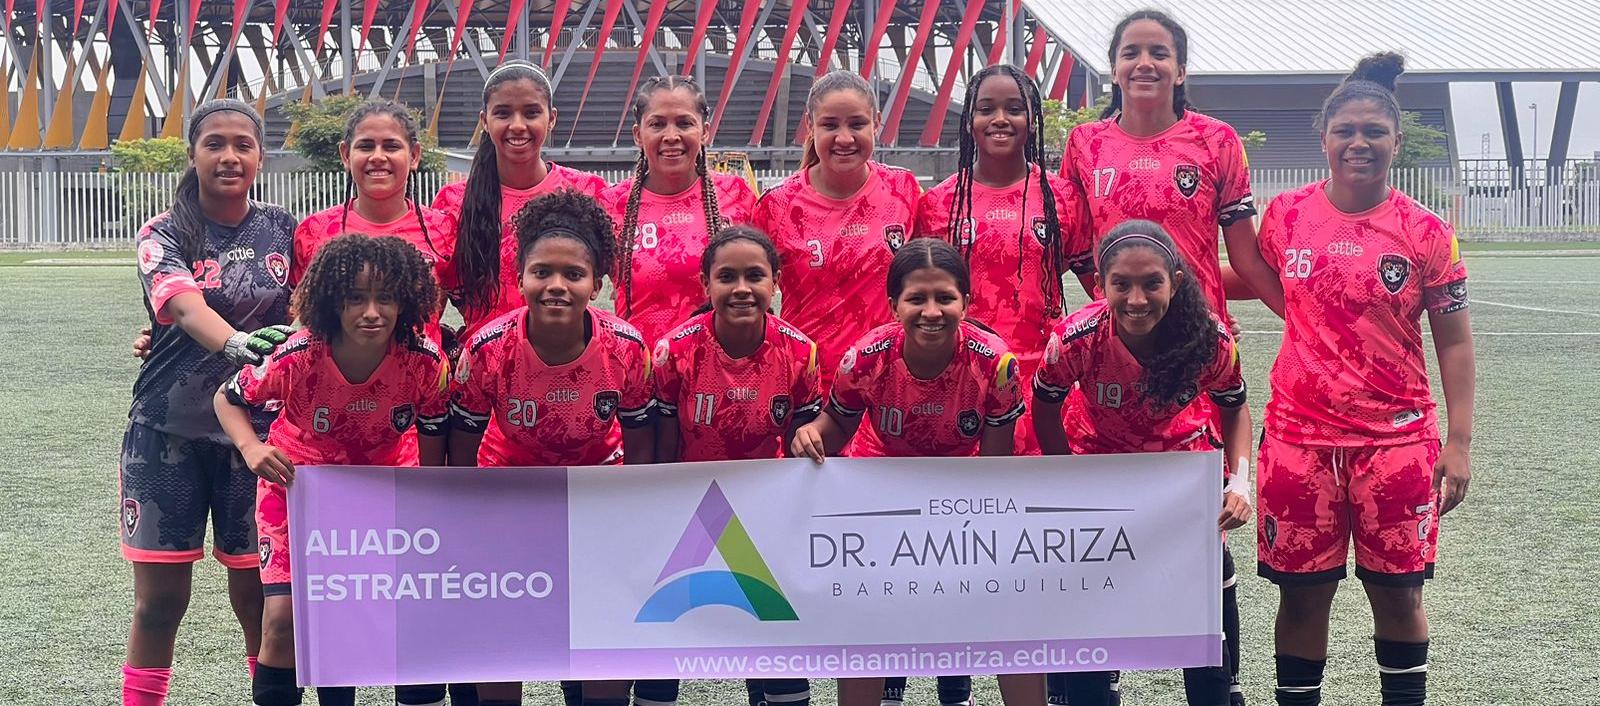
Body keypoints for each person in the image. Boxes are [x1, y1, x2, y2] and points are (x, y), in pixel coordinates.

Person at [1255, 53, 1474, 706]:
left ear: (1396, 142)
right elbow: (1265, 283)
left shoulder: (1427, 232)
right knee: (1301, 598)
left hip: (1397, 444)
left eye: (1374, 131)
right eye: (1345, 130)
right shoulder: (1286, 216)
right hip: (1299, 441)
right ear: (1324, 139)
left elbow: (1456, 343)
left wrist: (1458, 443)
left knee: (1400, 594)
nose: (1359, 143)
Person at [790, 238, 1041, 706]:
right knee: (867, 617)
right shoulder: (865, 358)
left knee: (1009, 606)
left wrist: (973, 527)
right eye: (916, 298)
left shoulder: (995, 364)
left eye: (945, 297)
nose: (931, 311)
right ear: (892, 305)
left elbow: (994, 468)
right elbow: (835, 428)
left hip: (962, 494)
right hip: (881, 495)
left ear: (966, 302)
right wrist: (810, 435)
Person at [215, 234, 450, 706]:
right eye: (356, 298)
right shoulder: (299, 356)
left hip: (385, 495)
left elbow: (436, 426)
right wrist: (251, 448)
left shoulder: (424, 362)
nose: (372, 312)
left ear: (406, 302)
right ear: (331, 301)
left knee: (371, 617)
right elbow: (228, 396)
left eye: (386, 298)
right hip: (299, 492)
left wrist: (428, 495)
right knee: (282, 620)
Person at [120, 98, 296, 706]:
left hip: (258, 442)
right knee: (160, 604)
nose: (229, 156)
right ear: (192, 155)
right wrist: (238, 342)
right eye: (214, 144)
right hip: (166, 436)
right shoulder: (162, 232)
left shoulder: (284, 228)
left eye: (242, 145)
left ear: (260, 157)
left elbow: (313, 312)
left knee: (262, 602)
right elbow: (186, 307)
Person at [448, 190, 655, 706]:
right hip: (508, 498)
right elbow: (460, 451)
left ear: (598, 284)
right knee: (503, 639)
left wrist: (637, 514)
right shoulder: (486, 350)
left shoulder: (628, 350)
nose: (557, 285)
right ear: (519, 279)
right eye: (542, 272)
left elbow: (643, 450)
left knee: (602, 638)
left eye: (574, 274)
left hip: (597, 502)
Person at [1032, 221, 1252, 706]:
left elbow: (1234, 407)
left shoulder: (1208, 339)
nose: (1136, 299)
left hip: (1180, 478)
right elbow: (1044, 402)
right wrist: (1064, 471)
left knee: (1201, 602)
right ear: (1099, 285)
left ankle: (1222, 691)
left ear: (1175, 280)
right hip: (1100, 473)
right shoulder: (1076, 339)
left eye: (1151, 283)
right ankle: (1083, 691)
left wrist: (1240, 481)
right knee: (1094, 602)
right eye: (1121, 284)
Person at [651, 225, 821, 706]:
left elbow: (802, 447)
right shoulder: (675, 352)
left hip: (763, 512)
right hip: (690, 509)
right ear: (705, 285)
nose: (742, 288)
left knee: (768, 634)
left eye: (755, 276)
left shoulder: (800, 353)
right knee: (664, 632)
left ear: (776, 282)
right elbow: (662, 449)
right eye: (727, 276)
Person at [918, 64, 1093, 460]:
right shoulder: (938, 203)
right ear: (969, 121)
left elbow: (1100, 291)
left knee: (1041, 505)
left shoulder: (1062, 198)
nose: (1000, 119)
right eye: (986, 109)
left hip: (1043, 385)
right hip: (961, 380)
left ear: (1032, 120)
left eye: (1014, 108)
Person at [1060, 9, 1282, 321]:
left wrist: (1308, 328)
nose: (1145, 62)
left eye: (1159, 53)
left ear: (1180, 72)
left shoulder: (1218, 140)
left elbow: (1247, 261)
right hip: (1117, 334)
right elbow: (1079, 253)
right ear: (1114, 70)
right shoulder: (1084, 143)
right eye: (1131, 53)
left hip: (1198, 334)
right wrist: (1111, 301)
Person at [754, 70, 920, 391]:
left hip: (889, 381)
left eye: (857, 124)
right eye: (830, 125)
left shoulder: (904, 190)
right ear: (810, 126)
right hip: (806, 384)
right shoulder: (776, 206)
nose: (844, 138)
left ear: (877, 122)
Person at [432, 60, 609, 338]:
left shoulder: (586, 191)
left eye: (531, 113)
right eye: (503, 113)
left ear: (551, 119)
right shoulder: (454, 202)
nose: (517, 125)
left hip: (569, 362)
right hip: (484, 369)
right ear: (485, 121)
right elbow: (433, 304)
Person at [601, 75, 759, 346]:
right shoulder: (611, 204)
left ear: (705, 131)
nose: (671, 136)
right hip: (643, 373)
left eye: (684, 123)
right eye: (657, 124)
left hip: (719, 370)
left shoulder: (736, 196)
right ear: (638, 134)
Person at [293, 99, 457, 346]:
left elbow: (473, 308)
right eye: (366, 146)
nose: (378, 157)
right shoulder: (314, 230)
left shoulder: (443, 231)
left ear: (414, 156)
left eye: (391, 146)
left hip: (423, 379)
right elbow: (300, 314)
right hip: (335, 380)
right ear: (346, 155)